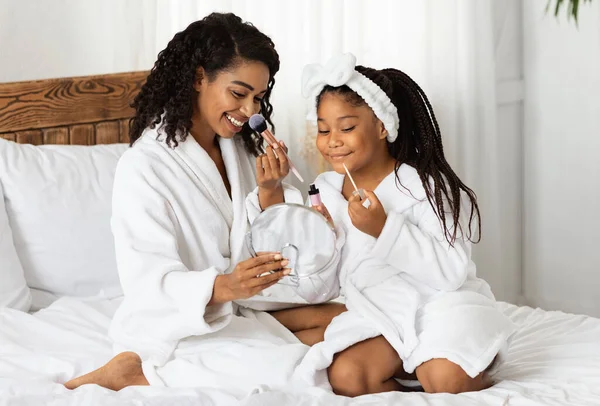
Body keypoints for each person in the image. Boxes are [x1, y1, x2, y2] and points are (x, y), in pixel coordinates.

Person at [64, 13, 312, 395]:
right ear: (199, 78)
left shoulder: (242, 149)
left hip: (250, 305)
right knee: (302, 374)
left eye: (258, 98)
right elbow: (147, 281)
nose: (250, 111)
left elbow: (262, 239)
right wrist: (225, 286)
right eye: (238, 93)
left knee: (354, 322)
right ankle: (139, 371)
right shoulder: (144, 166)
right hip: (183, 323)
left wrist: (271, 190)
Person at [251, 53, 515, 396]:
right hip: (380, 313)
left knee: (446, 381)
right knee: (346, 376)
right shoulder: (326, 192)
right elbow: (319, 290)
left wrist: (384, 228)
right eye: (323, 129)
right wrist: (320, 242)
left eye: (346, 128)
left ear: (381, 126)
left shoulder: (422, 185)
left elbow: (451, 273)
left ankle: (457, 365)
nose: (332, 140)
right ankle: (412, 372)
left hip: (439, 306)